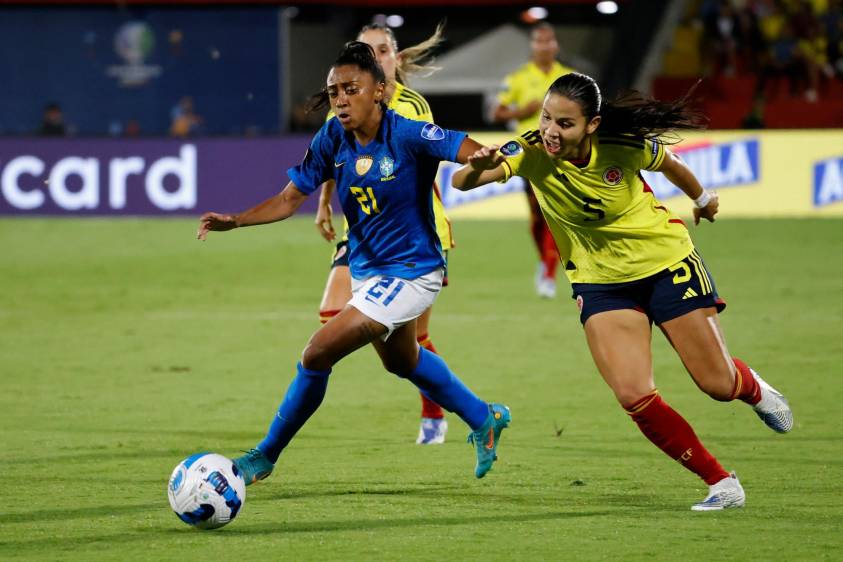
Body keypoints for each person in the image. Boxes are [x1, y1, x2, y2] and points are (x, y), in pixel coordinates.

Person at [452, 72, 793, 511]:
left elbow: (671, 165)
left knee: (717, 383)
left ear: (592, 124)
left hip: (665, 262)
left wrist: (703, 199)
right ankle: (721, 482)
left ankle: (753, 389)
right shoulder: (530, 150)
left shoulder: (623, 144)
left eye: (565, 123)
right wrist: (479, 167)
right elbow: (462, 182)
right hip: (600, 281)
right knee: (633, 394)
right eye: (546, 118)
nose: (551, 131)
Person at [197, 42, 511, 486]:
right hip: (368, 270)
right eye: (334, 91)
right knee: (402, 361)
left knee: (317, 352)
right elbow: (289, 199)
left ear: (379, 90)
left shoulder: (408, 133)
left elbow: (465, 147)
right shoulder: (332, 138)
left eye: (351, 89)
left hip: (413, 270)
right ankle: (484, 417)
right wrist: (237, 220)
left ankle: (264, 455)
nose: (341, 100)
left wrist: (484, 158)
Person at [314, 23, 455, 445]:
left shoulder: (412, 106)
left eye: (383, 50)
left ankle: (435, 411)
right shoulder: (342, 102)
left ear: (396, 58)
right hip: (362, 232)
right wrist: (324, 201)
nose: (375, 57)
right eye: (367, 50)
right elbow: (331, 154)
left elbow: (417, 158)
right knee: (332, 312)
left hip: (413, 235)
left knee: (413, 340)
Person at [493, 23, 575, 299]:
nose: (544, 46)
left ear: (556, 45)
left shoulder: (567, 78)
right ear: (532, 45)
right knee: (537, 215)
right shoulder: (518, 78)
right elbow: (497, 112)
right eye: (539, 41)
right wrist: (521, 111)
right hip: (529, 156)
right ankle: (545, 260)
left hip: (561, 155)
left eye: (549, 41)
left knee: (554, 212)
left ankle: (549, 274)